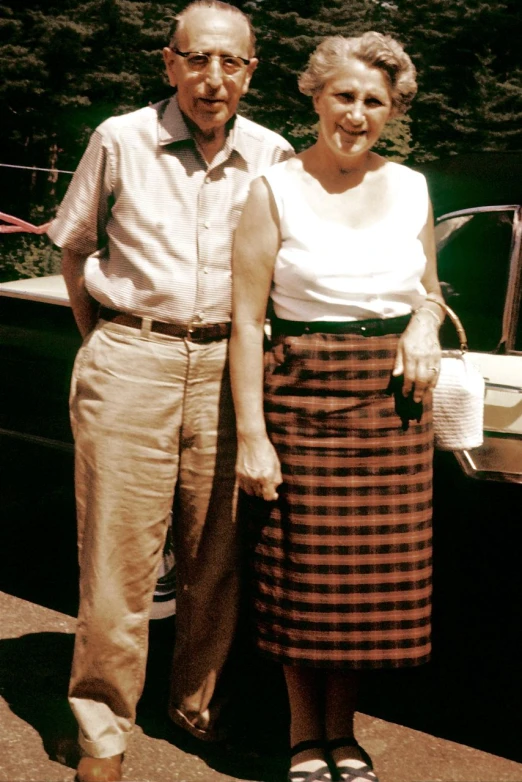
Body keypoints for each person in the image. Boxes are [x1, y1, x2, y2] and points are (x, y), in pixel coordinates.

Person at [47, 2, 293, 780]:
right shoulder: (120, 138)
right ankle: (102, 730)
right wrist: (113, 341)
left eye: (231, 62)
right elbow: (76, 246)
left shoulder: (275, 155)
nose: (213, 78)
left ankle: (198, 706)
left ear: (252, 70)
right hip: (132, 356)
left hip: (230, 370)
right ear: (169, 64)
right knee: (118, 558)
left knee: (215, 553)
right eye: (197, 59)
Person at [230, 32, 444, 782]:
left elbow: (429, 289)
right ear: (316, 96)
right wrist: (252, 436)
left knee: (363, 587)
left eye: (374, 102)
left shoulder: (412, 186)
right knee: (302, 577)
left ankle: (343, 735)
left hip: (390, 408)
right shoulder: (274, 189)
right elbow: (247, 323)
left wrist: (423, 323)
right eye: (345, 96)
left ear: (392, 111)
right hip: (300, 393)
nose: (357, 114)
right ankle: (301, 736)